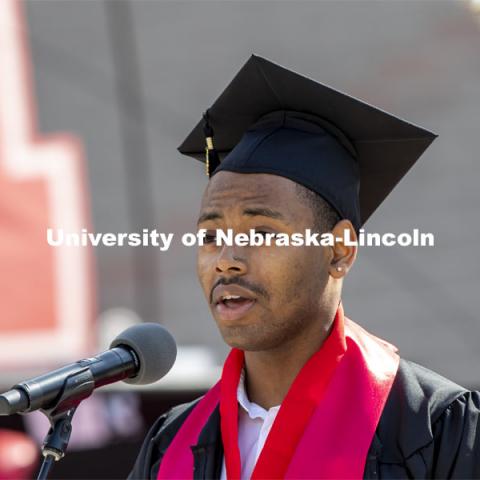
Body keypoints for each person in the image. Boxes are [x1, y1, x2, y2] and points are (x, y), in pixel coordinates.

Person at [128, 55, 480, 479]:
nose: (227, 261)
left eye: (261, 234)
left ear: (339, 251)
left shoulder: (433, 428)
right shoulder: (173, 444)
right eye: (211, 236)